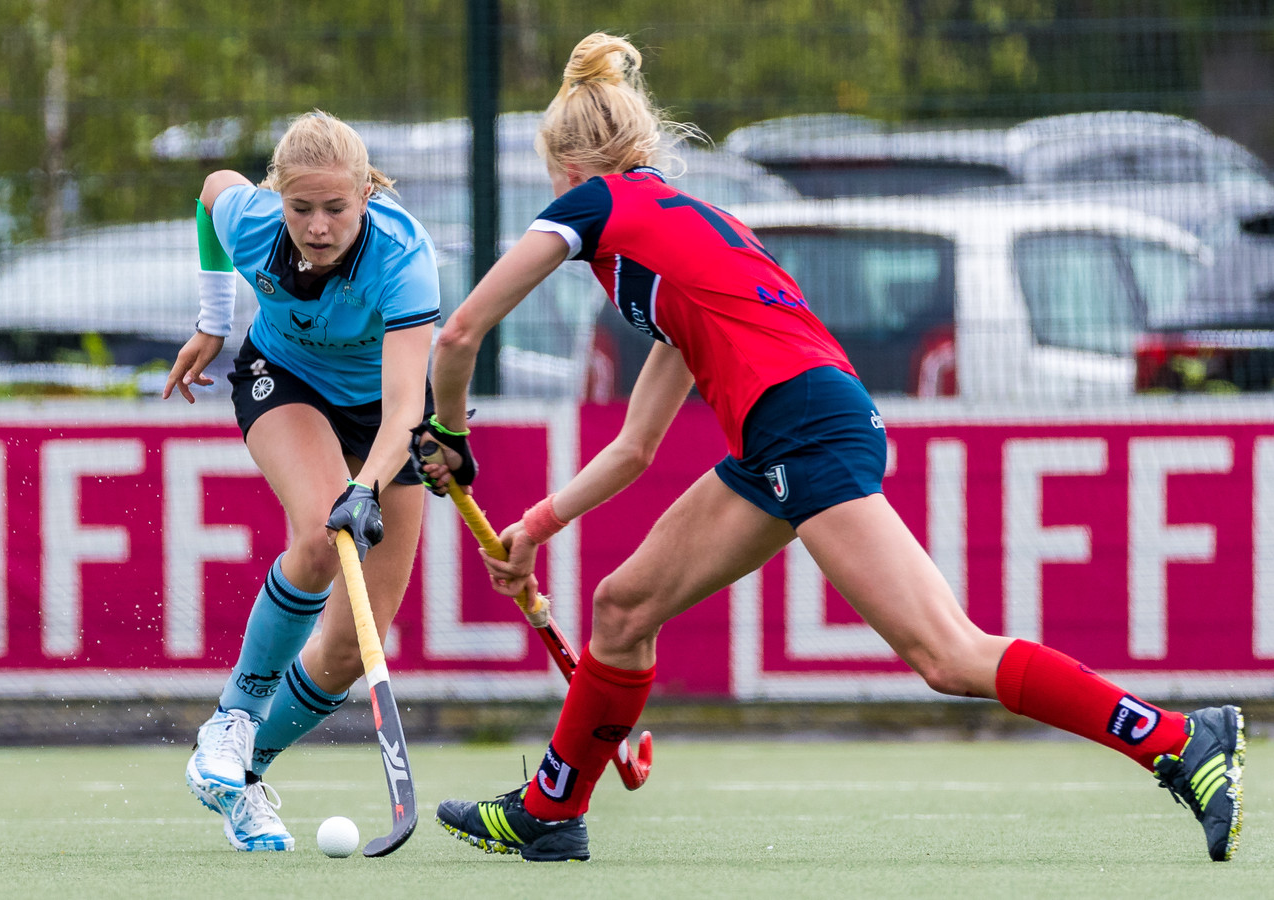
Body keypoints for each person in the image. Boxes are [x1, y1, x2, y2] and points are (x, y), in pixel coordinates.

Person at [416, 33, 1246, 864]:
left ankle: (1178, 740)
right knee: (622, 610)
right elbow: (635, 446)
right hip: (789, 428)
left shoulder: (594, 207)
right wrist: (536, 524)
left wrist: (449, 434)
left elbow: (458, 335)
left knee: (948, 655)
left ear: (563, 169)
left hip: (803, 425)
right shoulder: (692, 236)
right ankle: (552, 809)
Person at [162, 110, 440, 851]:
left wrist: (371, 483)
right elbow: (213, 189)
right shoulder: (253, 221)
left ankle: (242, 775)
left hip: (385, 411)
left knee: (352, 647)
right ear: (278, 198)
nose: (317, 227)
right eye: (301, 208)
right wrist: (213, 319)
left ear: (365, 195)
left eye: (336, 208)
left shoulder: (403, 255)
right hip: (285, 380)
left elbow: (408, 404)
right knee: (322, 535)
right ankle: (232, 718)